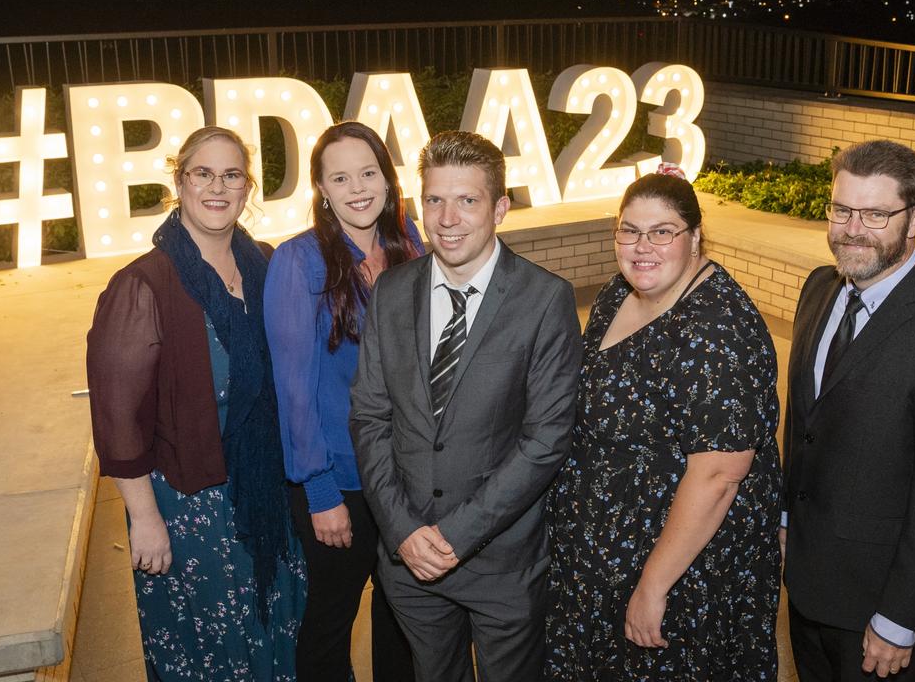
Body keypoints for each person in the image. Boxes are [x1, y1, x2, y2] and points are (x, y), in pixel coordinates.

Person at [350, 130, 582, 681]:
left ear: (500, 208)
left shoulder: (544, 299)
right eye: (435, 199)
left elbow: (546, 439)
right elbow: (369, 417)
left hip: (501, 560)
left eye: (468, 200)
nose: (447, 218)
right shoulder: (391, 291)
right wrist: (403, 530)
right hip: (410, 562)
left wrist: (456, 536)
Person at [544, 165, 784, 680]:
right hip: (602, 558)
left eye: (661, 231)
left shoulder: (719, 328)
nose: (642, 245)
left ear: (696, 237)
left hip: (678, 572)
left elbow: (719, 476)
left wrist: (654, 586)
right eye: (629, 230)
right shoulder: (619, 292)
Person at [86, 126, 306, 680]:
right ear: (179, 183)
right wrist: (144, 519)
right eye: (202, 173)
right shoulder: (143, 285)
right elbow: (118, 420)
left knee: (283, 633)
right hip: (192, 505)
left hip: (267, 495)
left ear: (247, 187)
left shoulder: (264, 262)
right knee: (216, 654)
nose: (217, 187)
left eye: (231, 174)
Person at [781, 140, 915, 681]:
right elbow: (803, 424)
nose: (852, 229)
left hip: (877, 604)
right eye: (842, 210)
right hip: (806, 580)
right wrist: (786, 517)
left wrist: (900, 617)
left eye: (876, 214)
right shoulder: (818, 288)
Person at [264, 121, 420, 681]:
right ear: (322, 191)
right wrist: (320, 489)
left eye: (368, 172)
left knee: (404, 618)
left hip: (406, 477)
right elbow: (293, 389)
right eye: (340, 177)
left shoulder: (410, 246)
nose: (357, 187)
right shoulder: (298, 262)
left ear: (386, 178)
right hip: (342, 481)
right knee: (330, 625)